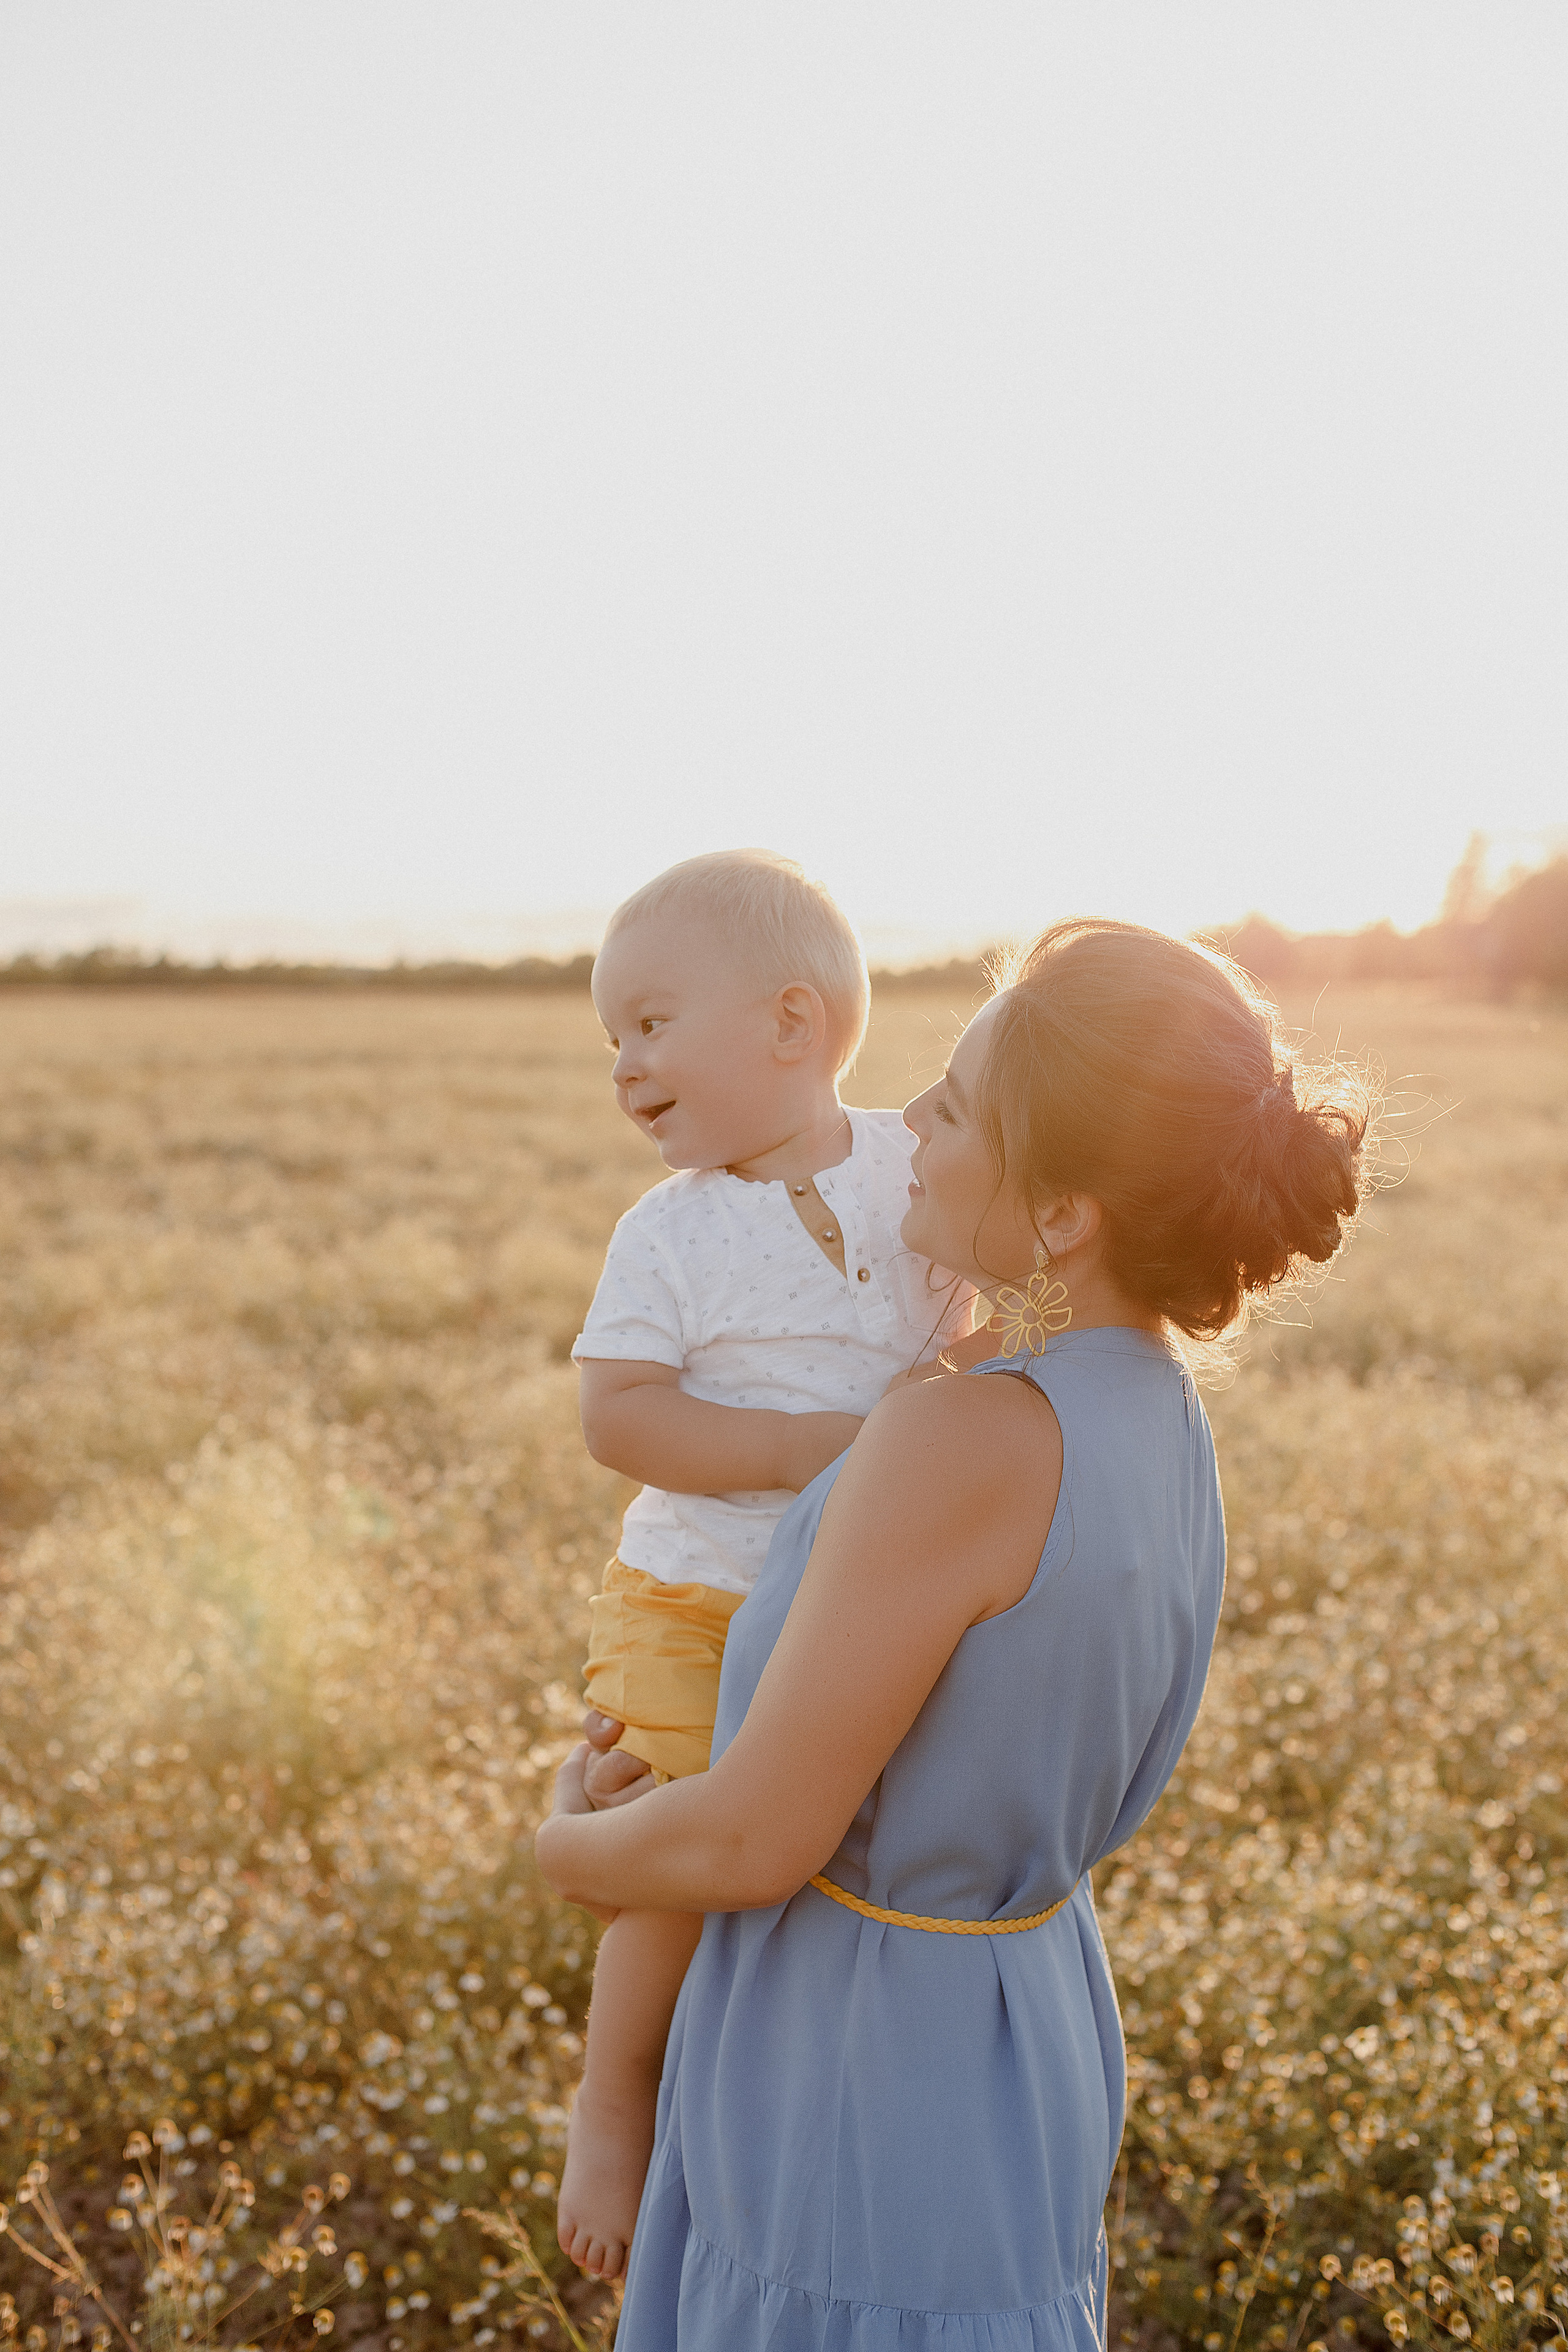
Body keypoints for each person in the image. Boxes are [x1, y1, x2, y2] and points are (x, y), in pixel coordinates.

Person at [537, 916, 1372, 2348]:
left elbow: (748, 1842)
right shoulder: (1149, 1404)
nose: (908, 1118)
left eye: (958, 1105)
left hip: (851, 2063)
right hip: (1018, 2024)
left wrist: (565, 1848)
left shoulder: (957, 1440)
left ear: (1065, 1215)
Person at [560, 850, 970, 2279]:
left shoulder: (914, 1166)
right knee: (675, 1837)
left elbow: (977, 1314)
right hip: (691, 1597)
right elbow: (618, 1417)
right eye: (612, 1038)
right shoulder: (666, 1231)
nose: (624, 1063)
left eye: (650, 1024)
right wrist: (802, 1450)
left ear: (792, 1022)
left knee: (841, 1836)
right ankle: (616, 2101)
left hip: (854, 1597)